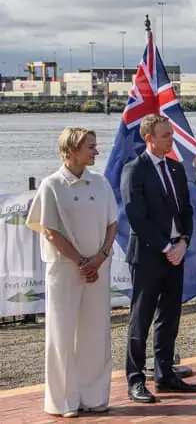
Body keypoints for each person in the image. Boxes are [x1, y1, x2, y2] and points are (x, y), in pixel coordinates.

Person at [26, 127, 116, 418]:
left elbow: (112, 224)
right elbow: (50, 230)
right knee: (62, 335)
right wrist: (80, 262)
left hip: (98, 269)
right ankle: (63, 400)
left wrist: (100, 258)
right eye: (90, 146)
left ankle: (94, 396)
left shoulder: (101, 183)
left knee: (96, 332)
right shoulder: (51, 185)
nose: (96, 151)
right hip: (65, 271)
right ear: (72, 149)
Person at [121, 115, 196, 403]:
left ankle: (165, 375)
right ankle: (135, 380)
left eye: (171, 134)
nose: (171, 139)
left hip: (176, 254)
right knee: (141, 319)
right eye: (165, 135)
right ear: (149, 138)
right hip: (148, 256)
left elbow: (187, 211)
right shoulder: (134, 170)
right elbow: (136, 216)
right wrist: (166, 246)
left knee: (169, 316)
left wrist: (184, 242)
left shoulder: (176, 169)